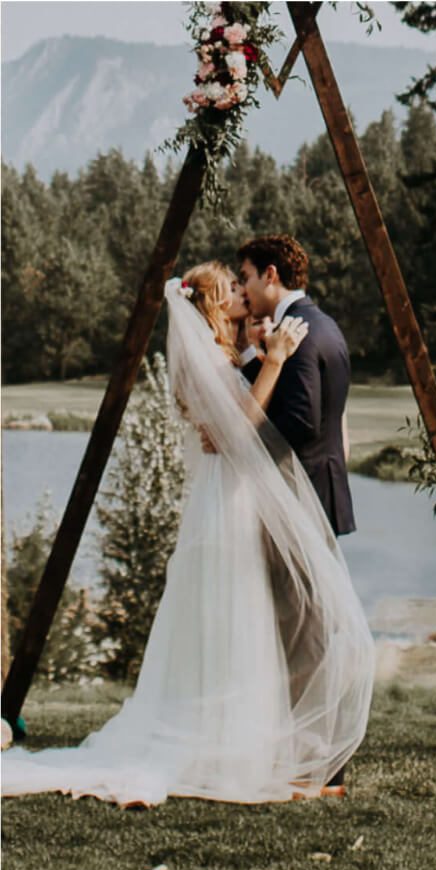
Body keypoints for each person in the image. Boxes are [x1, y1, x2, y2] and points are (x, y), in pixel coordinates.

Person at [2, 261, 374, 807]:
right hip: (228, 502)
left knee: (244, 615)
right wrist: (273, 361)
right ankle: (228, 744)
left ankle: (246, 739)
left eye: (242, 283)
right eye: (233, 289)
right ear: (215, 305)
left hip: (233, 496)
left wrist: (256, 354)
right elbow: (237, 428)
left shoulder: (224, 355)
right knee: (236, 614)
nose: (242, 293)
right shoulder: (212, 361)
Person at [236, 235, 356, 789]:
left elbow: (302, 421)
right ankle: (318, 753)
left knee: (303, 629)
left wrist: (242, 440)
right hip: (321, 492)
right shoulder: (324, 324)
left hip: (299, 496)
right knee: (314, 624)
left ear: (271, 275)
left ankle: (318, 760)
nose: (245, 288)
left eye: (247, 276)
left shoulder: (299, 333)